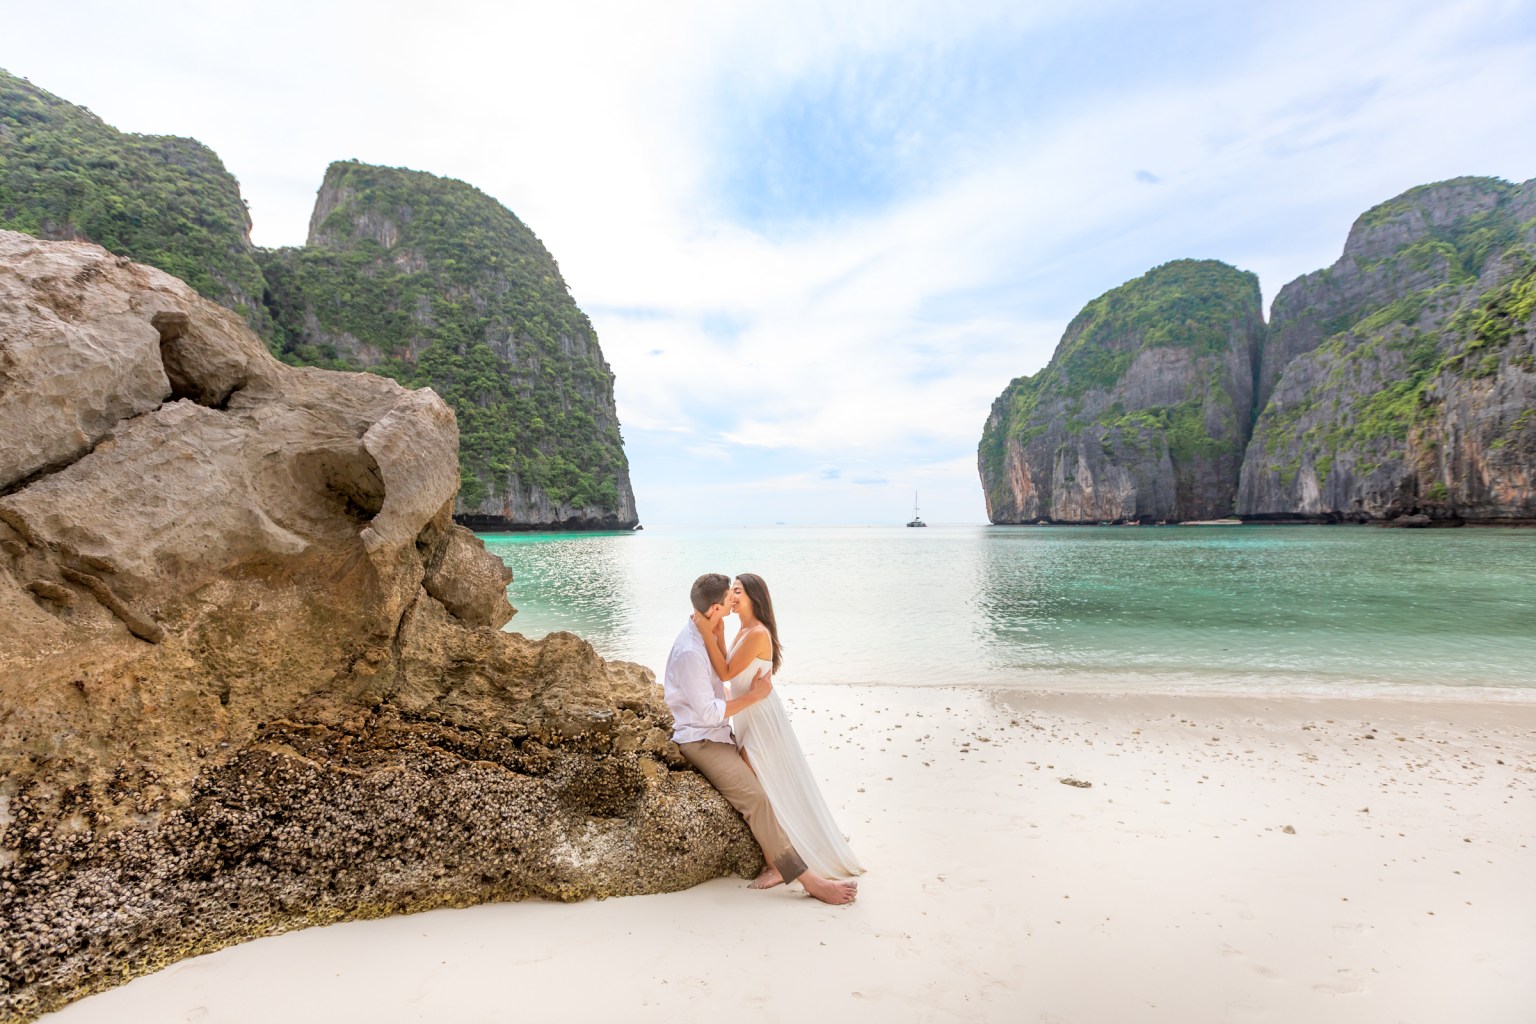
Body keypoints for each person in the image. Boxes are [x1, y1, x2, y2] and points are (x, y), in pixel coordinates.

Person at [662, 573, 858, 905]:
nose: (732, 601)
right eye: (728, 598)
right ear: (714, 607)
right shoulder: (691, 652)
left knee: (767, 786)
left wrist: (719, 635)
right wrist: (752, 697)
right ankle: (807, 880)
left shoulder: (708, 629)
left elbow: (721, 680)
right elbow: (710, 712)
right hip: (701, 739)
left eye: (736, 594)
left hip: (719, 732)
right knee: (756, 800)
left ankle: (790, 856)